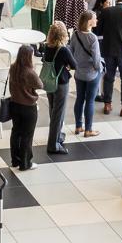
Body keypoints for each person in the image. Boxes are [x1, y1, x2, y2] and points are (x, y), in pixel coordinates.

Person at [7, 44, 43, 171]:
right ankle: (25, 163)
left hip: (14, 105)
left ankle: (15, 160)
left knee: (16, 132)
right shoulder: (29, 72)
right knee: (27, 136)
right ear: (29, 56)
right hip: (28, 107)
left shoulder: (13, 68)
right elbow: (40, 85)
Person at [70, 5, 103, 136]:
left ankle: (78, 126)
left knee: (79, 99)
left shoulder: (75, 34)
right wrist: (99, 69)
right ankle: (88, 129)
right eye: (95, 19)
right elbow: (96, 59)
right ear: (89, 22)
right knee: (90, 101)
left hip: (79, 73)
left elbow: (71, 52)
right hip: (91, 74)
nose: (97, 21)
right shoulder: (93, 38)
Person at [43, 20, 75, 154]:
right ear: (63, 35)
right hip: (61, 84)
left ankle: (57, 136)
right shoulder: (63, 50)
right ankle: (53, 145)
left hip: (49, 82)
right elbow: (74, 65)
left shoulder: (47, 47)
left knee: (53, 111)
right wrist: (66, 66)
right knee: (58, 113)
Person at [96, 0, 122, 116]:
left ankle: (107, 105)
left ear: (116, 1)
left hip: (108, 50)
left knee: (109, 78)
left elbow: (98, 31)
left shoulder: (106, 12)